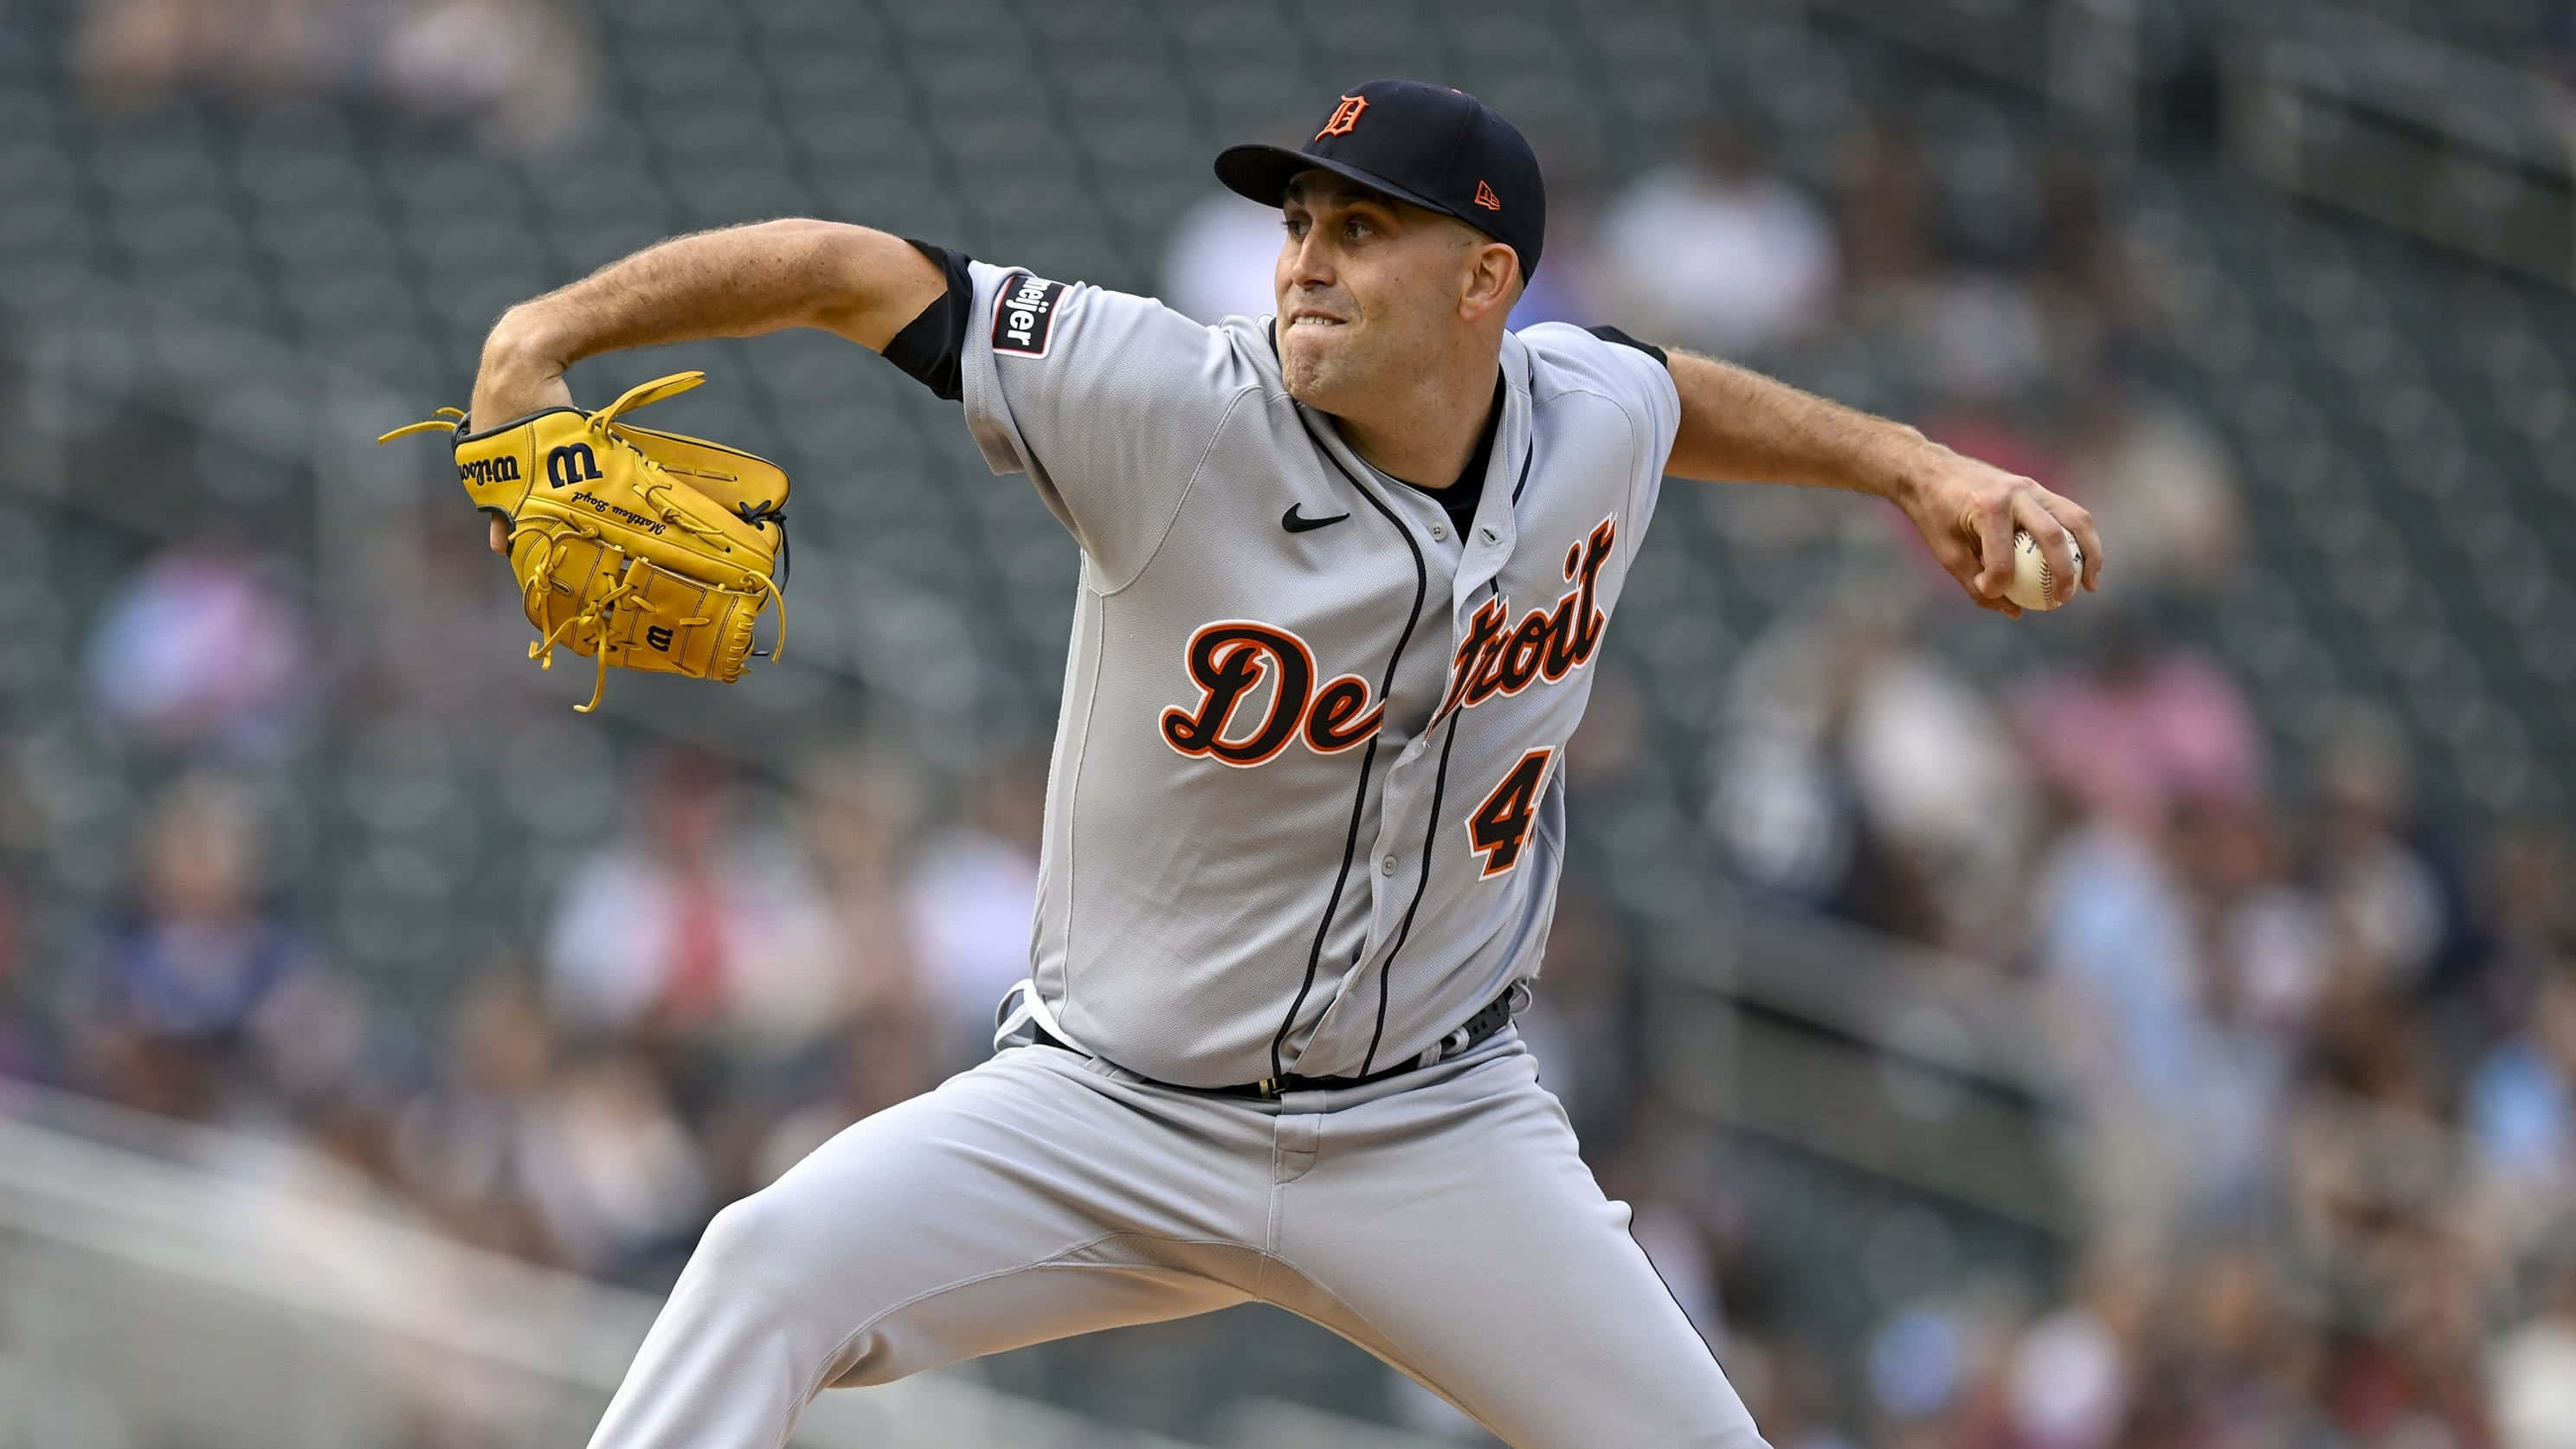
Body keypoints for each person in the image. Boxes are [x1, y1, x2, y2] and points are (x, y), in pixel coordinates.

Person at [460, 78, 2100, 1449]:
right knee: (766, 1264)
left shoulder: (1585, 413)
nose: (1305, 262)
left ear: (1487, 282)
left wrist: (1910, 468)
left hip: (1436, 1130)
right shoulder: (1165, 401)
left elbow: (1675, 396)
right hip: (1108, 1109)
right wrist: (549, 328)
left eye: (1362, 229)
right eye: (1300, 225)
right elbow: (837, 265)